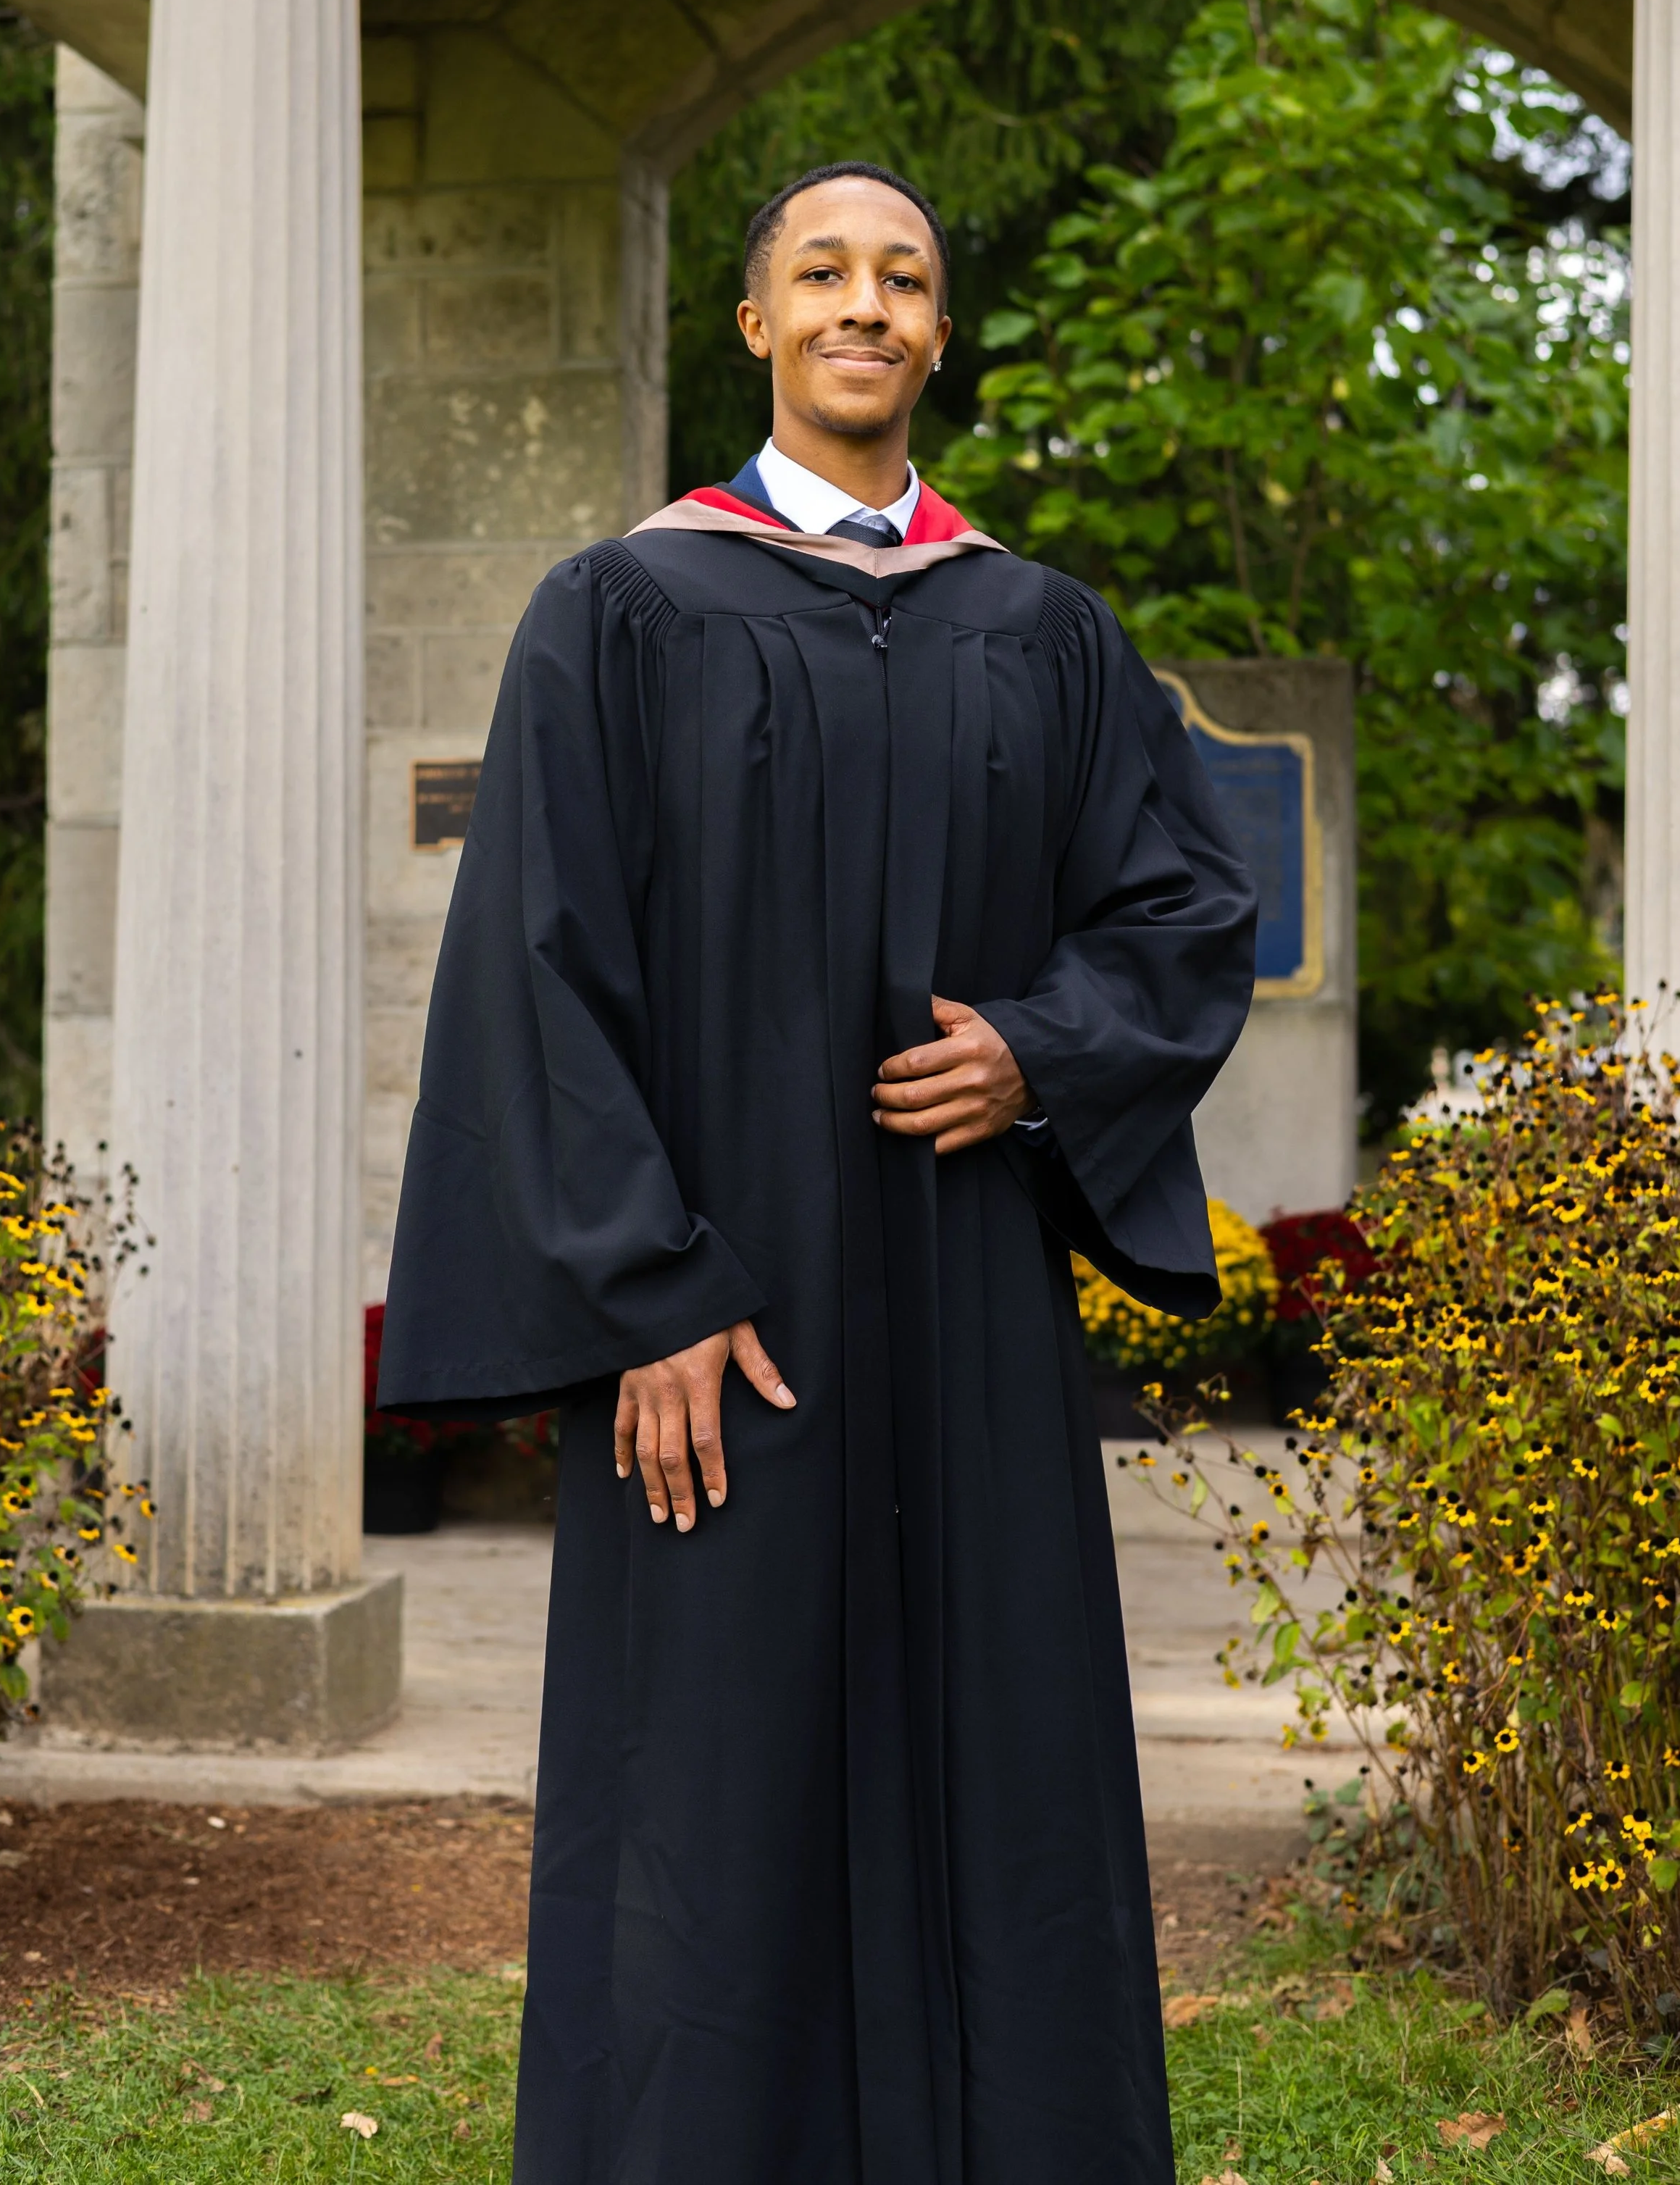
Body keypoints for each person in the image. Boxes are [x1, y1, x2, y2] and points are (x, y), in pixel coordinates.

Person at [378, 160, 1257, 2184]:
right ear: (758, 323)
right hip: (725, 1317)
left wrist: (1041, 1051)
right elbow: (536, 960)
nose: (865, 303)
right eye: (821, 273)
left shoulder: (1039, 629)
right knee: (712, 1793)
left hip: (964, 1324)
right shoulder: (622, 605)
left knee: (999, 1769)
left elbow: (1181, 912)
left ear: (940, 334)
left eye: (906, 278)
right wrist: (646, 1289)